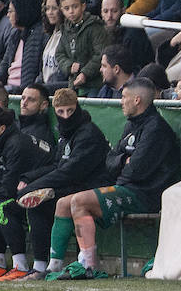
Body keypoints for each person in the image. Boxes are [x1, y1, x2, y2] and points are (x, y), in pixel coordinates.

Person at [48, 77, 179, 280]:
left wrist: (124, 164)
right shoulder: (131, 126)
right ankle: (53, 266)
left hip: (145, 195)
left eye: (124, 97)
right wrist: (123, 161)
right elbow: (109, 162)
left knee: (79, 201)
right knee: (63, 203)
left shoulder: (156, 129)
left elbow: (136, 170)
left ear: (137, 100)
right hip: (126, 188)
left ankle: (88, 265)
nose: (121, 101)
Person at [16, 88, 111, 279]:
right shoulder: (65, 134)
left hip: (92, 187)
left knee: (48, 201)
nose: (66, 116)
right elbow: (58, 165)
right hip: (72, 185)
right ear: (54, 110)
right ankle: (41, 264)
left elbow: (71, 171)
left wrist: (36, 186)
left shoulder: (88, 133)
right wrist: (29, 178)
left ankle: (63, 264)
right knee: (37, 204)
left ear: (77, 107)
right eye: (61, 112)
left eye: (70, 110)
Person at [0, 106, 56, 280]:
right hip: (26, 190)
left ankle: (20, 266)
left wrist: (5, 184)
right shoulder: (3, 143)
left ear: (1, 129)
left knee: (3, 206)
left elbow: (8, 188)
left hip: (47, 194)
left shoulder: (16, 144)